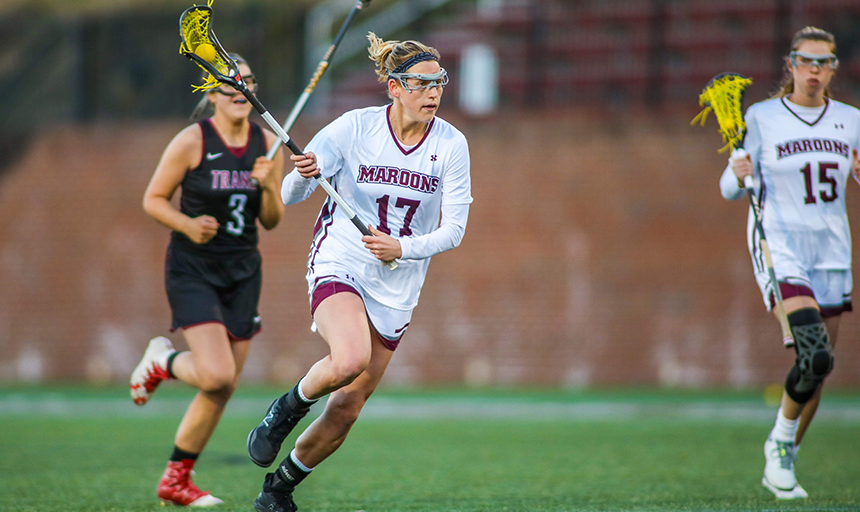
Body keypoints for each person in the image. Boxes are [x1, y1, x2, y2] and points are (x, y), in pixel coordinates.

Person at [245, 32, 472, 512]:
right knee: (349, 358)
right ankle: (283, 410)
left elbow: (454, 230)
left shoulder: (451, 145)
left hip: (397, 285)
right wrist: (302, 175)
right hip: (341, 260)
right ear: (394, 86)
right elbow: (290, 196)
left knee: (346, 408)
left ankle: (278, 488)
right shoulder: (353, 128)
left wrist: (402, 248)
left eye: (440, 83)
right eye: (421, 83)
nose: (433, 93)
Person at [130, 54, 284, 506]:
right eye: (229, 83)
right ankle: (162, 362)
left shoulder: (268, 142)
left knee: (223, 385)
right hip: (194, 268)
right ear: (212, 93)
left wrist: (269, 185)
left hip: (243, 270)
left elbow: (271, 221)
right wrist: (186, 224)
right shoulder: (191, 141)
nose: (240, 89)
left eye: (248, 82)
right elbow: (153, 199)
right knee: (216, 374)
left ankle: (176, 480)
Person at [720, 27, 860, 499]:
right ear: (791, 64)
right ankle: (778, 444)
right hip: (782, 246)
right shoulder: (762, 118)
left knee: (819, 369)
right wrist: (736, 174)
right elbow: (729, 188)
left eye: (825, 62)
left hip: (832, 252)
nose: (815, 70)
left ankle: (784, 456)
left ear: (833, 68)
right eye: (806, 61)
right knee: (813, 352)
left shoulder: (850, 120)